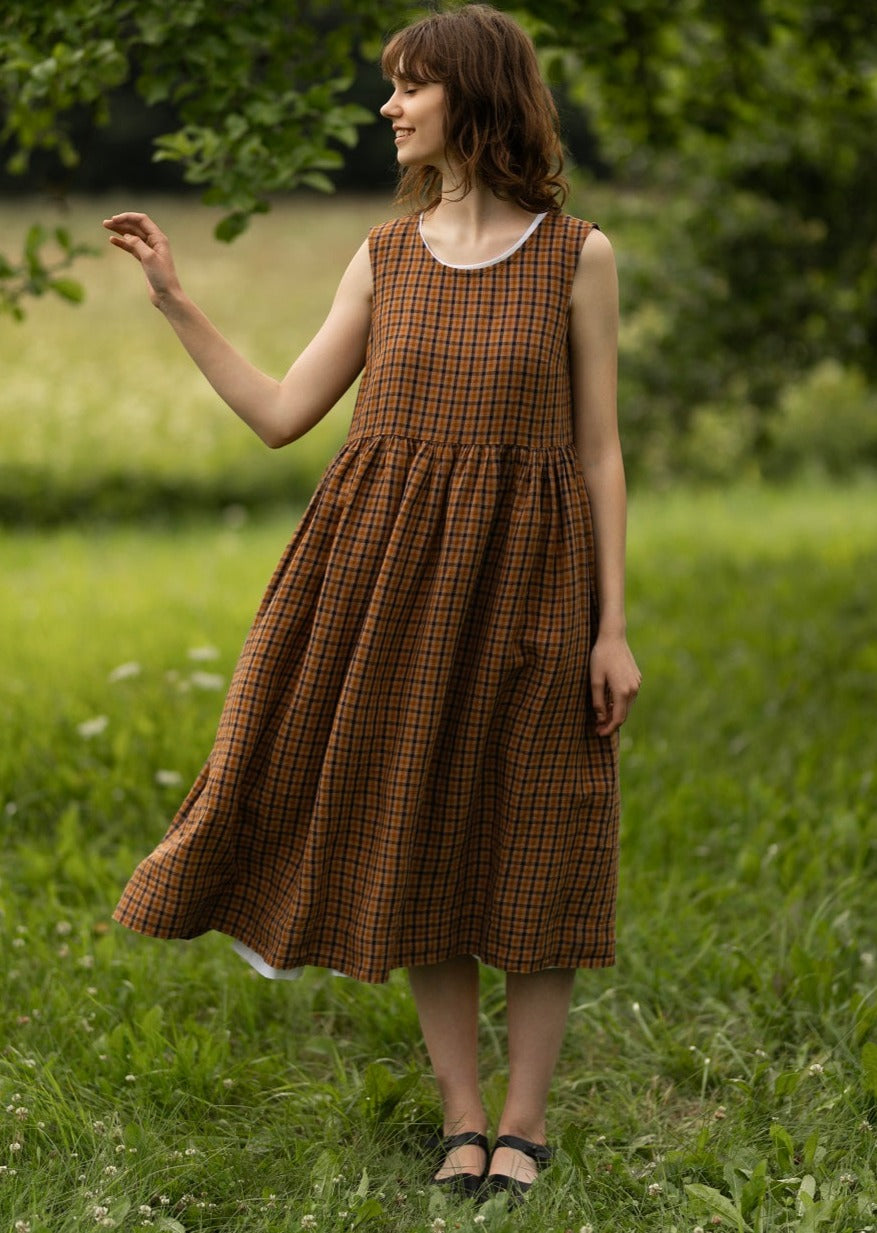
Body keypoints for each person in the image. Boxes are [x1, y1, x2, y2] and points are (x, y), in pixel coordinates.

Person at [105, 1, 641, 1204]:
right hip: (385, 584)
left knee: (541, 832)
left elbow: (601, 450)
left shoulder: (576, 254)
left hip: (534, 585)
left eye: (409, 86)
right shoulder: (382, 257)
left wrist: (612, 627)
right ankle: (461, 1115)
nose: (388, 107)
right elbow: (285, 411)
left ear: (474, 94)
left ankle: (526, 1119)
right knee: (428, 828)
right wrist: (177, 303)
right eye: (390, 86)